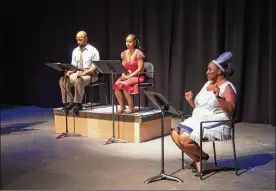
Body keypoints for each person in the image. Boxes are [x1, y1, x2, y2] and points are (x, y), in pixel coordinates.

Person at [171, 52, 237, 176]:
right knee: (174, 133)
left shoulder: (227, 87)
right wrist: (191, 101)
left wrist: (218, 97)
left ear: (219, 71)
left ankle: (203, 157)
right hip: (197, 119)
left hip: (216, 122)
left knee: (184, 139)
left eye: (209, 69)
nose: (207, 72)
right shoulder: (207, 84)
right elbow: (200, 108)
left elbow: (230, 110)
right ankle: (199, 158)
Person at [59, 31, 100, 113]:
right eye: (77, 40)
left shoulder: (93, 50)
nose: (78, 42)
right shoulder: (75, 51)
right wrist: (70, 71)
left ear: (86, 39)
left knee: (79, 80)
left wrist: (85, 72)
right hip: (78, 72)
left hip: (90, 74)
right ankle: (70, 102)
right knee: (63, 80)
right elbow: (73, 64)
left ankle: (78, 103)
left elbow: (96, 66)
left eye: (80, 39)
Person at [113, 34, 145, 114]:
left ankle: (131, 107)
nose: (128, 43)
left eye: (130, 42)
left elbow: (140, 69)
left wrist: (129, 76)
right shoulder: (124, 53)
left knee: (124, 85)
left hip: (137, 76)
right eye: (127, 42)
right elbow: (123, 67)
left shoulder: (139, 53)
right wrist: (123, 74)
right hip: (127, 76)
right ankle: (122, 106)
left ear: (134, 43)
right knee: (116, 85)